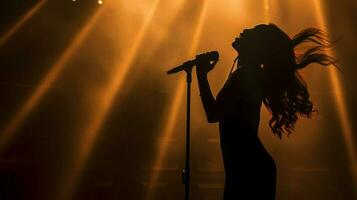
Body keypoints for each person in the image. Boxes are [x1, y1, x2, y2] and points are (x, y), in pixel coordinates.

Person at [195, 24, 336, 199]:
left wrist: (201, 75)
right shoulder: (248, 74)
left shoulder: (245, 75)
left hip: (248, 169)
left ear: (256, 47)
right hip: (252, 167)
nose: (245, 31)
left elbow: (213, 114)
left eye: (252, 32)